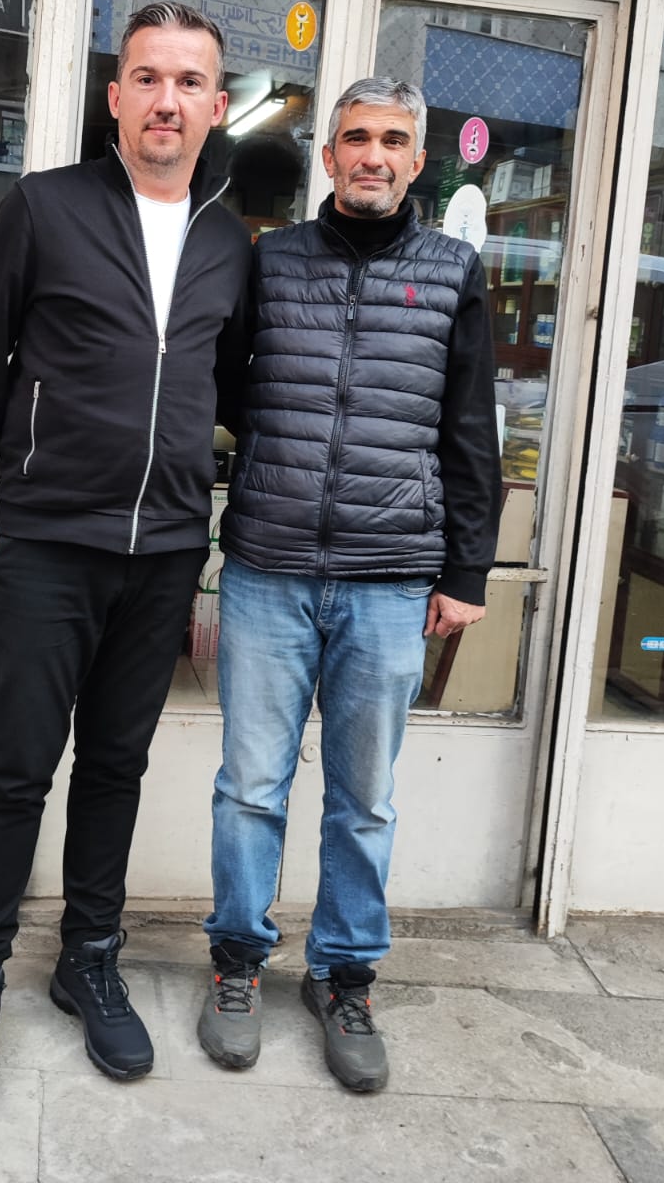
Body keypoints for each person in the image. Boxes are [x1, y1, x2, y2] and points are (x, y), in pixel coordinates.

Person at [0, 1, 252, 1120]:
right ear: (115, 97)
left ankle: (88, 958)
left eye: (189, 82)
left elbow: (234, 388)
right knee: (16, 767)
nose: (167, 100)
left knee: (117, 766)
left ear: (216, 104)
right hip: (51, 541)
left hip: (164, 550)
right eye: (148, 77)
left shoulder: (228, 240)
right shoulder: (46, 207)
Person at [198, 76, 501, 1093]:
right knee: (250, 787)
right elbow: (226, 385)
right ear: (328, 157)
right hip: (269, 567)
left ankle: (343, 976)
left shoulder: (454, 273)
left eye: (393, 140)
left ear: (418, 161)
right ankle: (238, 963)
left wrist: (465, 570)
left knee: (364, 799)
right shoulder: (272, 260)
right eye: (356, 138)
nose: (373, 155)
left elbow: (470, 432)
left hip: (389, 579)